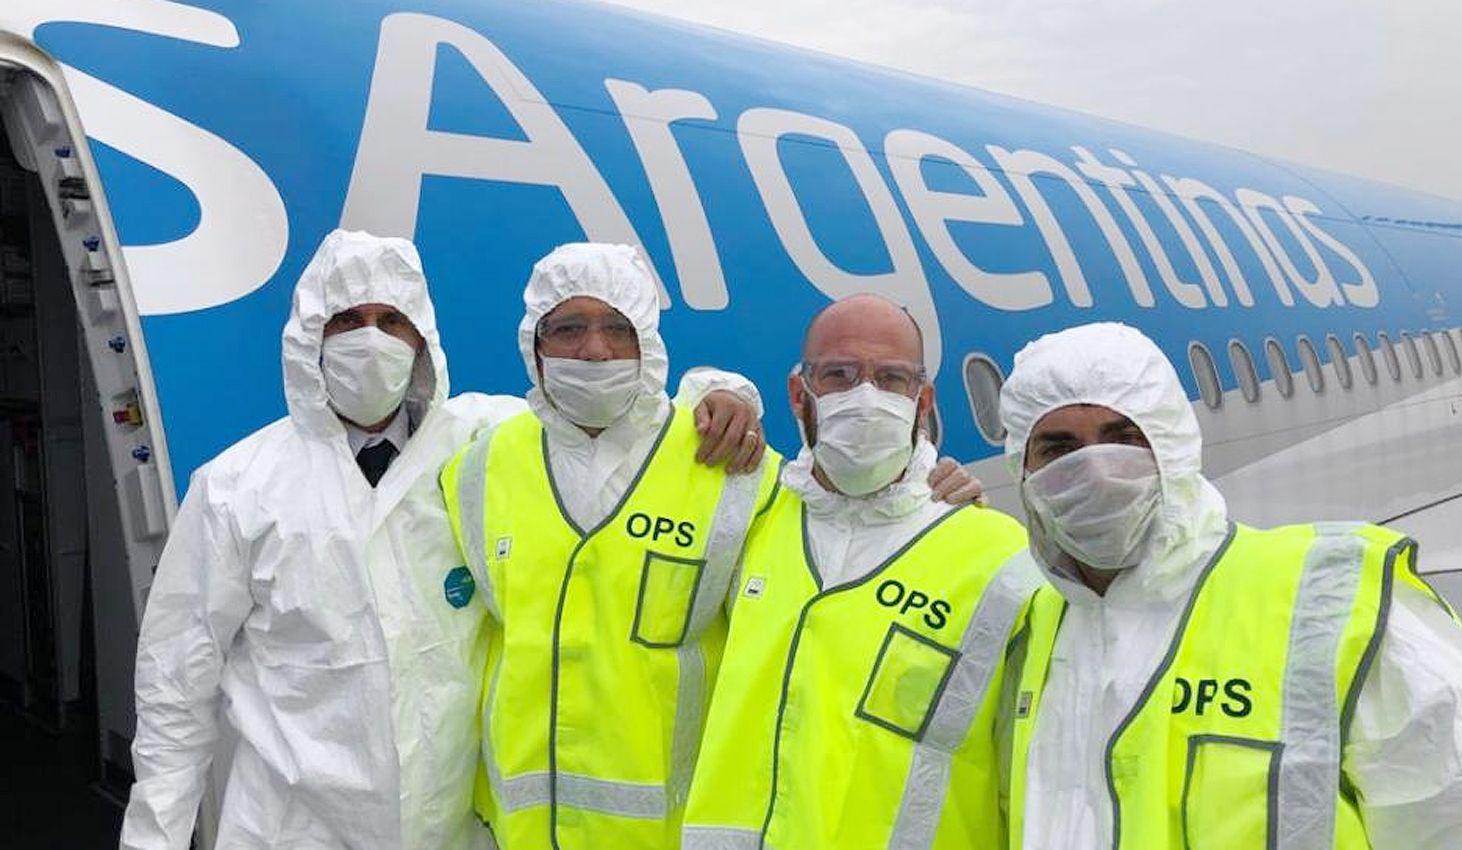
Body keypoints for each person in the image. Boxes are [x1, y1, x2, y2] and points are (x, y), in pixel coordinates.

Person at [120, 230, 765, 850]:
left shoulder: (480, 443)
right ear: (308, 337)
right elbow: (176, 679)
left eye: (392, 321)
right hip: (290, 827)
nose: (371, 341)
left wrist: (721, 393)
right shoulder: (238, 486)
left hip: (447, 827)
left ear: (423, 338)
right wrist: (155, 838)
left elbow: (608, 423)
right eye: (347, 320)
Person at [440, 254, 984, 850]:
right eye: (567, 328)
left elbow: (839, 531)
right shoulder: (474, 470)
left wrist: (923, 498)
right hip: (517, 832)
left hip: (672, 833)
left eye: (619, 329)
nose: (594, 351)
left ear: (647, 339)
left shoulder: (731, 467)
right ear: (535, 345)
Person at [997, 321, 1462, 849]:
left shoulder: (1328, 605)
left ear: (1173, 447)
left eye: (1124, 438)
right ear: (1023, 469)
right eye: (1059, 449)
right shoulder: (1032, 629)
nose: (1096, 471)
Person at [680, 293, 1038, 850]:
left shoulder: (999, 558)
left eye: (892, 378)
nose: (865, 396)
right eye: (839, 375)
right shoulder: (749, 519)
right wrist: (713, 391)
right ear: (800, 394)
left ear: (923, 401)